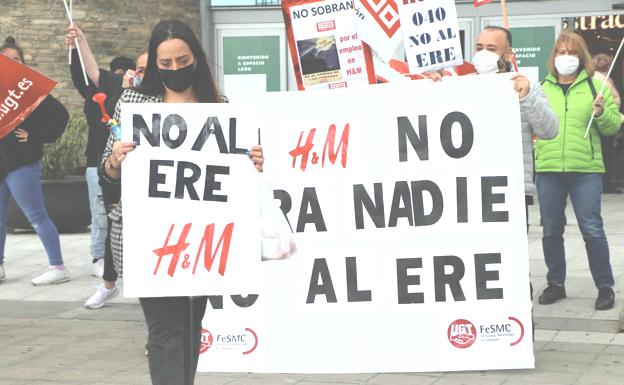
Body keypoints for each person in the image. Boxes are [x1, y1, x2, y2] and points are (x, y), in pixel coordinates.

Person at [99, 20, 264, 384]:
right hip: (150, 241)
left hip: (204, 241)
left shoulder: (219, 107)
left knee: (190, 326)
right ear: (155, 65)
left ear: (196, 59)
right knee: (166, 330)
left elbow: (236, 178)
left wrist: (251, 162)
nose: (175, 69)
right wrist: (115, 160)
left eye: (182, 60)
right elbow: (105, 174)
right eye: (166, 63)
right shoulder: (133, 103)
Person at [535, 31, 621, 310]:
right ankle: (555, 283)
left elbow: (611, 128)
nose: (566, 58)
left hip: (585, 169)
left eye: (572, 53)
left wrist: (601, 113)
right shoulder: (541, 88)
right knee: (550, 230)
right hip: (548, 169)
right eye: (561, 52)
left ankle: (605, 286)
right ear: (554, 57)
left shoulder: (597, 88)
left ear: (581, 57)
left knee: (592, 230)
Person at [66, 25, 148, 309]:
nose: (141, 75)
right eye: (139, 69)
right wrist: (82, 42)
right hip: (115, 170)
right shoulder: (117, 87)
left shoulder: (164, 97)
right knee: (116, 221)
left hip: (151, 175)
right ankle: (108, 284)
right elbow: (92, 72)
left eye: (149, 69)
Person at [473, 26, 559, 230]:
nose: (483, 53)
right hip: (471, 190)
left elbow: (549, 130)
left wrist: (527, 97)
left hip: (510, 190)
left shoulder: (528, 87)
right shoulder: (462, 85)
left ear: (509, 54)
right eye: (479, 47)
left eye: (492, 48)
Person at [0, 36, 70, 285]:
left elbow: (60, 116)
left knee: (36, 216)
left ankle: (57, 266)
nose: (12, 62)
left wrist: (35, 136)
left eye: (17, 59)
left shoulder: (29, 90)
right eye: (7, 59)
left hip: (22, 163)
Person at [592, 53, 623, 194]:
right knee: (606, 154)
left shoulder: (599, 78)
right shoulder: (602, 80)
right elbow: (611, 101)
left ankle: (605, 183)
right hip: (605, 119)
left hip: (606, 117)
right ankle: (606, 184)